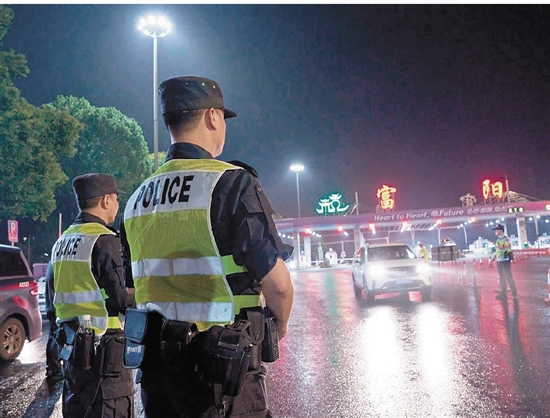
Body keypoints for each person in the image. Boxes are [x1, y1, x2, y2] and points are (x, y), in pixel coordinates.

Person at [120, 75, 294, 418]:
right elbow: (279, 286)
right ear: (213, 117)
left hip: (158, 377)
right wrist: (279, 327)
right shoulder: (231, 183)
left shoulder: (137, 199)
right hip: (223, 373)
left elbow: (131, 288)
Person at [46, 173, 134, 418]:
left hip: (72, 354)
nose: (117, 204)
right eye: (116, 198)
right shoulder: (105, 241)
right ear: (106, 200)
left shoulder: (61, 243)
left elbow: (51, 305)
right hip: (106, 359)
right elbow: (123, 300)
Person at [44, 260, 63, 381]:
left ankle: (52, 367)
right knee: (55, 337)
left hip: (51, 305)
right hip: (56, 306)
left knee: (53, 336)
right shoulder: (57, 262)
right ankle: (54, 368)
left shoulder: (52, 262)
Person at [491, 224, 518, 301]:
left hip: (505, 261)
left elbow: (508, 247)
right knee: (501, 278)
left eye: (497, 230)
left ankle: (514, 295)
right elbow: (497, 250)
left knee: (509, 277)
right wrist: (494, 258)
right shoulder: (498, 240)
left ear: (501, 230)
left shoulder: (506, 239)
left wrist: (500, 246)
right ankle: (503, 294)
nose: (495, 231)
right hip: (499, 261)